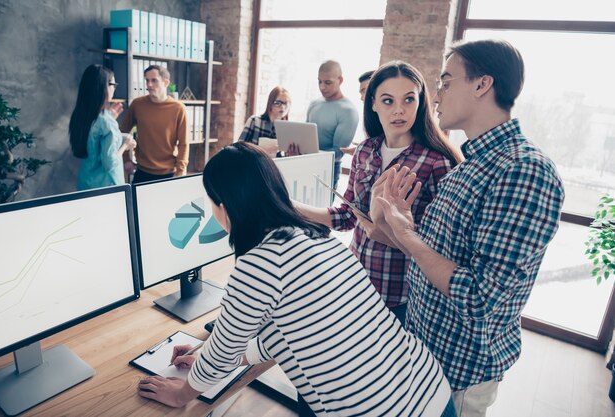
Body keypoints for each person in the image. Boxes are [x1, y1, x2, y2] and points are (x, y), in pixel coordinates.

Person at [137, 142, 456, 417]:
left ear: (224, 207)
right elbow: (290, 330)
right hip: (429, 388)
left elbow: (222, 354)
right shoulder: (319, 237)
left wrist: (181, 394)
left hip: (378, 409)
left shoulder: (259, 264)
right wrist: (213, 357)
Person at [370, 39, 565, 417]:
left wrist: (407, 236)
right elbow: (437, 255)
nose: (435, 96)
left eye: (444, 82)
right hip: (424, 350)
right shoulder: (471, 164)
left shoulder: (524, 170)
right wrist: (395, 224)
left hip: (457, 370)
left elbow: (480, 298)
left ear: (481, 85)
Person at [295, 61, 462, 325]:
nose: (399, 110)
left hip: (403, 298)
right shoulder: (365, 150)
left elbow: (442, 249)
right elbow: (347, 217)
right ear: (372, 103)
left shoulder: (436, 163)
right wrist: (291, 206)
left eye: (409, 99)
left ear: (421, 103)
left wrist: (389, 234)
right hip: (355, 284)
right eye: (387, 101)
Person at [69, 64, 136, 190]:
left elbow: (94, 141)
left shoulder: (81, 115)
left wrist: (121, 136)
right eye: (113, 85)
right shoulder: (106, 122)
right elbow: (109, 164)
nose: (114, 89)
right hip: (107, 188)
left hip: (86, 183)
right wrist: (125, 145)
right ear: (103, 87)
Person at [120, 65, 188, 184]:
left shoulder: (178, 108)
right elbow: (122, 133)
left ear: (165, 83)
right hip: (141, 172)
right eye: (147, 80)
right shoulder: (137, 104)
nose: (149, 85)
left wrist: (180, 172)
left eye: (154, 80)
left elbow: (183, 143)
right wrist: (126, 159)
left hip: (169, 173)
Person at [307, 60, 359, 190]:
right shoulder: (314, 104)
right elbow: (305, 136)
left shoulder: (348, 111)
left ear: (340, 80)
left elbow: (339, 152)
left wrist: (308, 154)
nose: (322, 87)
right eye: (319, 81)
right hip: (306, 164)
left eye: (327, 82)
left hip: (328, 171)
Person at [238, 85, 291, 157]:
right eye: (278, 103)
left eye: (286, 104)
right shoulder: (254, 121)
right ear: (270, 103)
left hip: (273, 166)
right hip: (252, 164)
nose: (283, 107)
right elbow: (238, 147)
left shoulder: (287, 129)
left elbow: (285, 159)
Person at [341, 69, 375, 156]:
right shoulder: (371, 117)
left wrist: (362, 150)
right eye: (361, 92)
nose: (362, 98)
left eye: (364, 91)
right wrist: (362, 148)